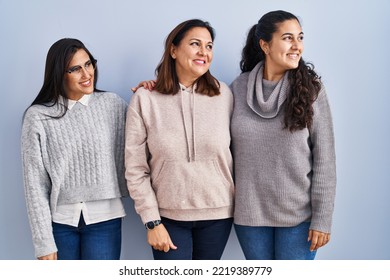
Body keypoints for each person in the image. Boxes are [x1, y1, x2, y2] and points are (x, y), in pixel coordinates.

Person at [230, 10, 336, 260]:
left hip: (298, 219)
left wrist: (322, 218)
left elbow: (325, 159)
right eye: (288, 38)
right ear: (265, 45)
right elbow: (203, 108)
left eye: (300, 38)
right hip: (249, 217)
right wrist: (158, 88)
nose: (297, 46)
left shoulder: (312, 91)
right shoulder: (238, 88)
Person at [125, 19, 234, 260]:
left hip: (218, 215)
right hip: (167, 217)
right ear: (173, 50)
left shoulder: (224, 94)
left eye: (209, 46)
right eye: (195, 44)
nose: (203, 52)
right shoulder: (145, 99)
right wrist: (152, 222)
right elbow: (135, 169)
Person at [21, 38, 128, 260]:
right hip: (60, 224)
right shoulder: (39, 116)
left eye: (89, 64)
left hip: (105, 221)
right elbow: (35, 184)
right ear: (60, 73)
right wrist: (43, 242)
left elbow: (147, 139)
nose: (87, 74)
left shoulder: (113, 104)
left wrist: (153, 92)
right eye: (75, 69)